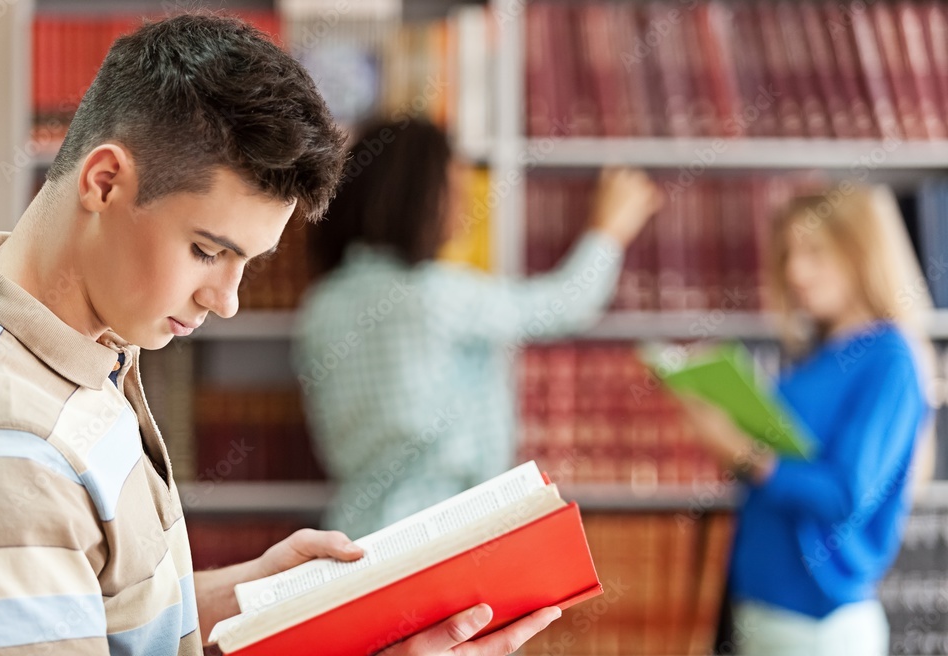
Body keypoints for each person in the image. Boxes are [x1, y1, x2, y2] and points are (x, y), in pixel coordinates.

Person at [0, 14, 562, 656]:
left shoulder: (84, 340)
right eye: (208, 250)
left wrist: (257, 596)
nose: (229, 300)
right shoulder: (4, 447)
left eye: (248, 262)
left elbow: (102, 605)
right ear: (105, 183)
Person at [295, 119, 663, 538]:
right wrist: (609, 229)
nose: (466, 206)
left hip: (356, 529)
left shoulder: (320, 306)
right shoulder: (434, 295)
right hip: (449, 530)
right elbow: (563, 305)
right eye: (453, 191)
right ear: (416, 198)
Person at [680, 186, 936, 656]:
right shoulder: (817, 359)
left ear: (860, 253)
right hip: (767, 611)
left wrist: (740, 451)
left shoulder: (889, 359)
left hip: (818, 622)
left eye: (815, 253)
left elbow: (844, 494)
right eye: (787, 256)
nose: (795, 272)